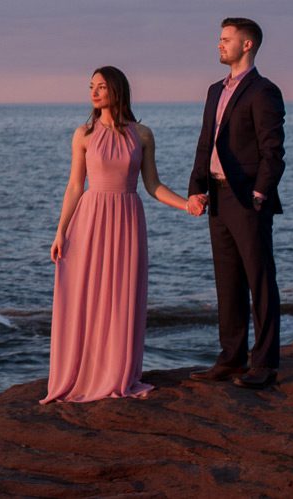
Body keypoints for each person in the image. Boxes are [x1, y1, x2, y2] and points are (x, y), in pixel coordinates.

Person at [43, 66, 198, 403]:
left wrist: (186, 206)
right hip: (90, 219)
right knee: (87, 294)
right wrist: (60, 232)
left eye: (101, 86)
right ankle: (85, 373)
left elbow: (153, 185)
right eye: (91, 87)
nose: (94, 92)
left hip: (126, 219)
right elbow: (74, 187)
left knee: (121, 296)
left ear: (118, 90)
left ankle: (117, 373)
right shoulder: (82, 134)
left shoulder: (142, 134)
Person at [187, 16, 285, 389]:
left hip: (248, 200)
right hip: (216, 196)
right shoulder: (215, 90)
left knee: (260, 281)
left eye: (226, 39)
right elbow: (205, 142)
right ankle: (230, 360)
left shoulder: (264, 91)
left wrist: (260, 193)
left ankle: (264, 364)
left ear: (247, 45)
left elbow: (273, 151)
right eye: (220, 38)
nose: (219, 44)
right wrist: (197, 186)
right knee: (227, 282)